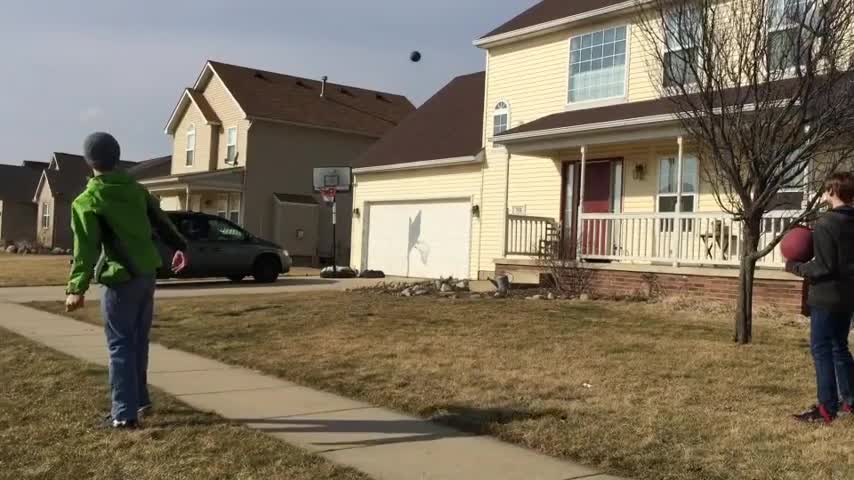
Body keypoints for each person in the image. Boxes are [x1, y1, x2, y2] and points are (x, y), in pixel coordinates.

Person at [65, 132, 188, 429]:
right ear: (117, 157)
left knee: (120, 345)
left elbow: (86, 248)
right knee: (137, 342)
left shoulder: (88, 200)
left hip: (120, 278)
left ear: (88, 161)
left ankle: (123, 414)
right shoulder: (137, 190)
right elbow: (162, 221)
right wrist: (181, 246)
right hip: (146, 275)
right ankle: (140, 401)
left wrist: (76, 288)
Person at [787, 172, 854, 424]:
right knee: (839, 347)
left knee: (822, 349)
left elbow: (823, 267)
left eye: (827, 189)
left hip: (826, 297)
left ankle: (826, 409)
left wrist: (795, 267)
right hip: (848, 296)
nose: (825, 193)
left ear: (833, 192)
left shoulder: (826, 223)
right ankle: (850, 401)